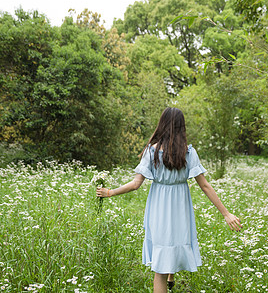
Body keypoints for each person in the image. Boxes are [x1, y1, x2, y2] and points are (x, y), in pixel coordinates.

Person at [96, 107, 242, 293]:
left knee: (162, 259)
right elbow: (204, 185)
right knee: (172, 244)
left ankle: (168, 276)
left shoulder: (152, 152)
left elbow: (135, 184)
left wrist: (111, 192)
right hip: (180, 206)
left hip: (159, 205)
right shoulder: (188, 153)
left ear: (162, 125)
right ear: (182, 127)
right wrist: (226, 213)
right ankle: (170, 277)